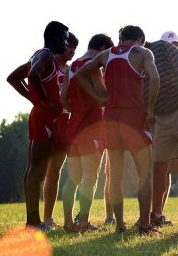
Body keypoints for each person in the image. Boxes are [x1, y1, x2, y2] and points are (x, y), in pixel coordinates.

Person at [74, 25, 161, 235]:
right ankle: (144, 225)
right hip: (134, 117)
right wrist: (149, 110)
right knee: (144, 174)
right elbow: (156, 78)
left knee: (115, 175)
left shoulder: (106, 54)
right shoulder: (143, 52)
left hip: (111, 118)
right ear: (140, 39)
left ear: (120, 38)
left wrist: (99, 97)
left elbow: (78, 74)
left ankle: (120, 225)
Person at [6, 21, 69, 231]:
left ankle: (33, 220)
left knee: (36, 169)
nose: (66, 42)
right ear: (54, 38)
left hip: (43, 115)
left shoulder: (38, 55)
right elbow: (31, 76)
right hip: (44, 117)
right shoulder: (46, 55)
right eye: (64, 38)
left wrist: (34, 100)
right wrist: (42, 101)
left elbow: (14, 78)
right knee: (36, 170)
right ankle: (33, 222)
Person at [60, 34, 114, 232]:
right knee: (90, 178)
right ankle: (83, 222)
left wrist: (77, 107)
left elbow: (64, 99)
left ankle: (67, 222)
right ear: (102, 48)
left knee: (73, 177)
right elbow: (102, 94)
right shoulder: (93, 66)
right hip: (91, 128)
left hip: (73, 126)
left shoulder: (71, 66)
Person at [144, 31, 178, 226]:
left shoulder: (171, 57)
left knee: (173, 167)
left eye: (176, 44)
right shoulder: (155, 53)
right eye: (172, 44)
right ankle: (156, 213)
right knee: (160, 167)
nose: (174, 47)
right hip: (161, 117)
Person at [43, 32, 79, 228]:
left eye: (75, 47)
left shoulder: (71, 69)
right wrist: (39, 102)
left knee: (55, 171)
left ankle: (49, 218)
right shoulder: (48, 63)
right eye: (69, 46)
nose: (72, 50)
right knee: (41, 171)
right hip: (48, 120)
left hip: (66, 121)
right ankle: (40, 218)